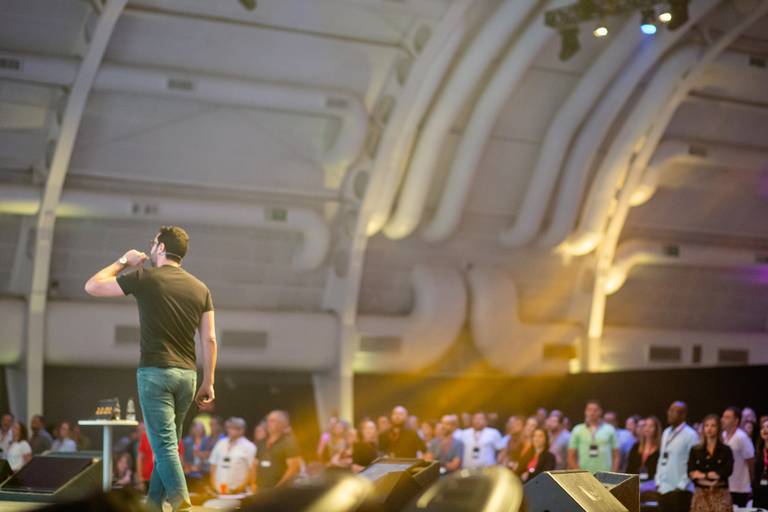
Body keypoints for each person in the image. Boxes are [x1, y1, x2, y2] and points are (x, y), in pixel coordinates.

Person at [85, 226, 217, 512]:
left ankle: (183, 507)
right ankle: (153, 506)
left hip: (156, 373)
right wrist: (209, 381)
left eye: (153, 243)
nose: (150, 246)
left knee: (165, 448)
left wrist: (124, 260)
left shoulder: (146, 278)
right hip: (188, 376)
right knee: (167, 446)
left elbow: (92, 286)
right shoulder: (201, 288)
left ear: (161, 248)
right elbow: (209, 338)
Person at [655, 401, 699, 512]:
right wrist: (658, 481)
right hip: (663, 488)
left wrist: (682, 485)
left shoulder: (691, 435)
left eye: (673, 411)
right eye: (669, 410)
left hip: (681, 490)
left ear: (683, 415)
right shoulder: (666, 432)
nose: (669, 413)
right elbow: (661, 458)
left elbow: (693, 463)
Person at [688, 414, 733, 512]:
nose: (709, 428)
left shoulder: (726, 450)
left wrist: (703, 475)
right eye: (706, 425)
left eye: (713, 425)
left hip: (720, 493)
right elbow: (691, 472)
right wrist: (710, 476)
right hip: (700, 494)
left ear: (718, 428)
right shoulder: (695, 450)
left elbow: (727, 471)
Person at [567, 400, 619, 473]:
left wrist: (613, 474)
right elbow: (571, 456)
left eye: (595, 410)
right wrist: (580, 474)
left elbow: (616, 455)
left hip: (605, 474)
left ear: (600, 411)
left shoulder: (610, 429)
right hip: (584, 474)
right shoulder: (577, 429)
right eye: (589, 410)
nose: (592, 413)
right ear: (585, 411)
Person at [254, 411, 301, 490]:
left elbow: (293, 468)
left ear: (282, 423)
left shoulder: (288, 442)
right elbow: (254, 465)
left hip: (280, 491)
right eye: (267, 420)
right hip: (261, 490)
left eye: (272, 421)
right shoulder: (261, 443)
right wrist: (254, 483)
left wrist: (278, 489)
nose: (268, 423)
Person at [209, 417, 256, 495]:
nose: (230, 431)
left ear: (242, 430)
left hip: (238, 490)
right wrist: (213, 483)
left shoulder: (249, 446)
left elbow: (251, 469)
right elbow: (213, 463)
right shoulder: (221, 443)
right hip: (219, 489)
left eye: (234, 428)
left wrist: (242, 487)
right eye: (229, 428)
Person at [721, 406, 754, 507]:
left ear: (736, 421)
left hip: (740, 487)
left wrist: (751, 484)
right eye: (723, 416)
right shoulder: (722, 436)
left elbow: (750, 460)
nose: (723, 419)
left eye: (727, 417)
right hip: (725, 485)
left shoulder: (742, 437)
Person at [626, 416, 661, 492]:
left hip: (652, 487)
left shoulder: (660, 450)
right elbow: (629, 468)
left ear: (656, 429)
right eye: (645, 425)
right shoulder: (636, 446)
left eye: (651, 426)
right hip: (634, 486)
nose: (647, 428)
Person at [753, 417, 768, 508]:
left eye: (767, 427)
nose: (764, 429)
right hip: (759, 492)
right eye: (762, 427)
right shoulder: (759, 450)